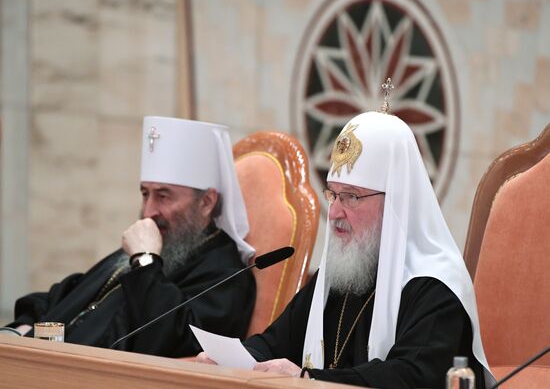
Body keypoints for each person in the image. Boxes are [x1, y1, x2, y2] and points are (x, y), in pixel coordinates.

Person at [198, 107, 495, 388]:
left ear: (395, 203)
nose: (336, 212)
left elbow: (410, 377)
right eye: (334, 195)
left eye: (351, 197)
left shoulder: (436, 287)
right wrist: (230, 361)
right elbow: (275, 343)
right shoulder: (341, 273)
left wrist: (309, 379)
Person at [2, 116, 256, 357]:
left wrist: (145, 261)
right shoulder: (162, 245)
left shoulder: (225, 276)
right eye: (145, 194)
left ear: (207, 202)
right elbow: (72, 294)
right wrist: (22, 327)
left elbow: (170, 338)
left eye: (163, 196)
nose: (149, 211)